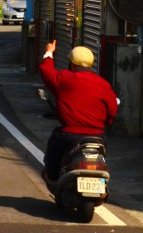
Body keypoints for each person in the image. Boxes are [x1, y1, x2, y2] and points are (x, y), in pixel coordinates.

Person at [39, 40, 118, 181]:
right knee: (102, 157)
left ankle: (53, 178)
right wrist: (108, 121)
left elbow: (47, 72)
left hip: (69, 135)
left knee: (53, 154)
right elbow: (112, 109)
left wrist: (49, 52)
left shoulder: (64, 78)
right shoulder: (103, 84)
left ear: (71, 63)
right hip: (98, 136)